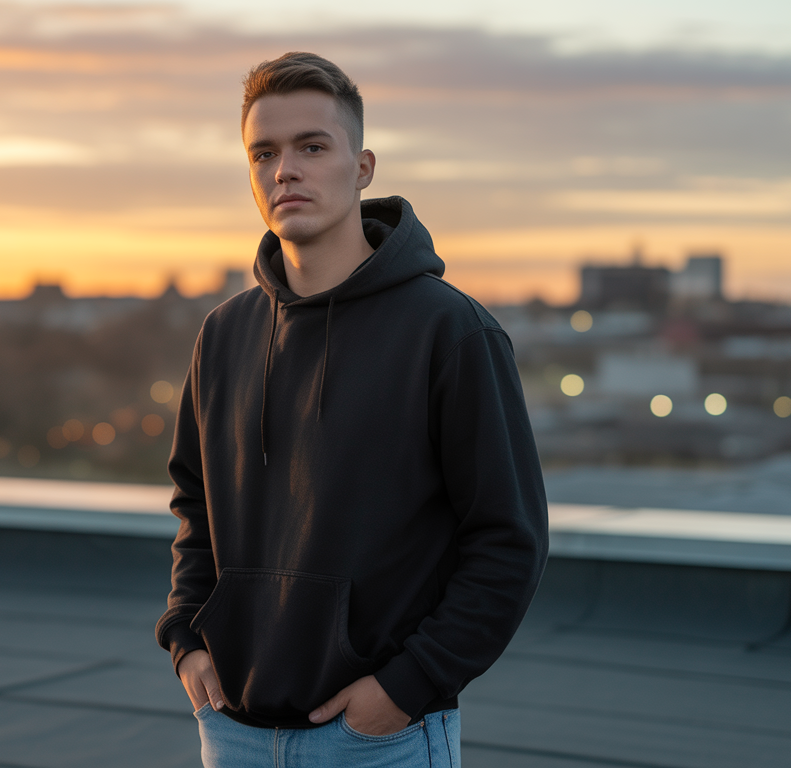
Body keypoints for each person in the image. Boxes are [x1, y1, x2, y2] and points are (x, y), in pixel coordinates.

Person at [155, 51, 549, 767]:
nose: (285, 171)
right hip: (233, 728)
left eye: (312, 147)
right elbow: (196, 505)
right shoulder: (224, 334)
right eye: (264, 153)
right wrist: (186, 639)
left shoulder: (450, 331)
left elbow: (508, 539)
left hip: (378, 739)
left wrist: (407, 687)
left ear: (362, 167)